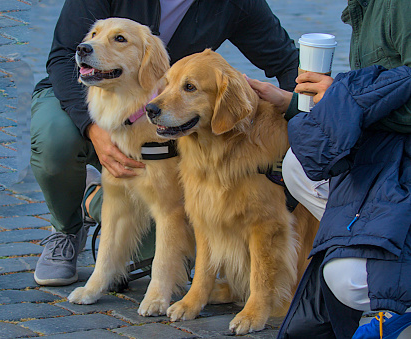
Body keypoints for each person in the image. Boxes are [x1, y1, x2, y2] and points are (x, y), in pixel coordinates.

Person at [30, 0, 300, 287]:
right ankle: (66, 228)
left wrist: (303, 120)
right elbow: (62, 56)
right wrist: (92, 128)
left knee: (179, 253)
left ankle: (94, 199)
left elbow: (286, 63)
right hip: (87, 95)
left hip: (166, 112)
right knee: (55, 140)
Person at [247, 0, 411, 337]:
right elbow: (384, 92)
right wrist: (293, 103)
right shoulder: (365, 7)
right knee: (299, 166)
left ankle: (393, 295)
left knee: (348, 280)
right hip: (388, 153)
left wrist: (339, 98)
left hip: (399, 161)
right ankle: (379, 257)